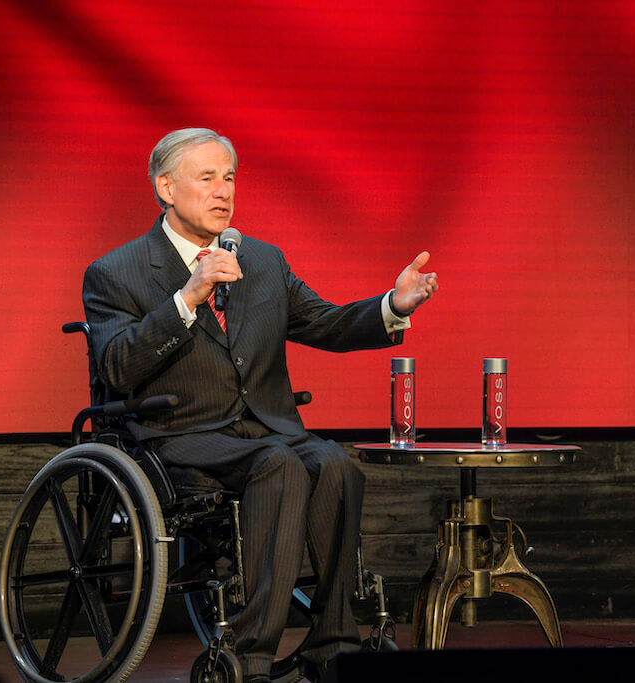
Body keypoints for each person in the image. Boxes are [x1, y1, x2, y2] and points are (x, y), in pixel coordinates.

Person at [83, 127, 439, 683]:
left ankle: (333, 643)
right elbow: (116, 366)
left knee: (337, 464)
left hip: (269, 428)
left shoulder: (263, 261)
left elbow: (324, 322)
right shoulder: (117, 272)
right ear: (166, 188)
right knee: (281, 465)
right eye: (207, 178)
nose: (223, 190)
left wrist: (393, 306)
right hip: (180, 432)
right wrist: (187, 298)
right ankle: (251, 655)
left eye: (230, 177)